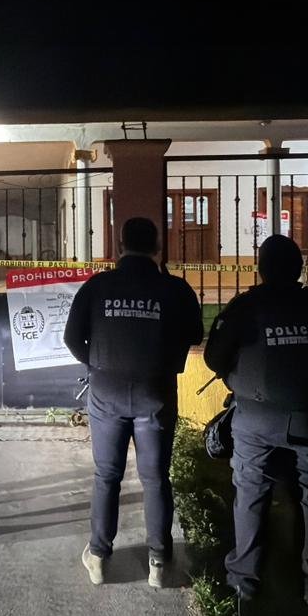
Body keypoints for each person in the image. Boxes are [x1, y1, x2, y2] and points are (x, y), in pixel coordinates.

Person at [203, 234, 308, 609]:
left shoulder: (245, 307)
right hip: (306, 416)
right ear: (299, 269)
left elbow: (214, 359)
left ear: (261, 269)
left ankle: (244, 585)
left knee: (251, 494)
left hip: (254, 418)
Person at [63, 216, 203, 589]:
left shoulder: (98, 286)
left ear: (119, 245)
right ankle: (159, 561)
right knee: (155, 478)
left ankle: (98, 556)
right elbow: (195, 333)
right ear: (157, 247)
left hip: (106, 393)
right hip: (154, 393)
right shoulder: (174, 289)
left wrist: (96, 364)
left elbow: (72, 337)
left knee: (106, 475)